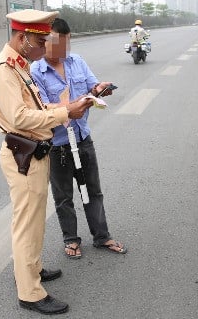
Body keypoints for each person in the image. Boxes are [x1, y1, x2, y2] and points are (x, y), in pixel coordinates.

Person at [0, 9, 93, 315]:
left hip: (35, 152)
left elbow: (34, 105)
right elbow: (19, 116)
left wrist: (65, 107)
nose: (46, 48)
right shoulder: (5, 71)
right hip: (24, 155)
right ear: (22, 38)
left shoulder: (20, 66)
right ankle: (30, 292)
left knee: (33, 222)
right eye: (40, 41)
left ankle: (31, 269)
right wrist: (63, 113)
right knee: (27, 225)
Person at [31, 18, 127, 260]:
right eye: (55, 44)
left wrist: (98, 90)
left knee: (92, 190)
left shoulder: (77, 61)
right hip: (58, 145)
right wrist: (71, 106)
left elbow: (91, 87)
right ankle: (71, 240)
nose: (61, 51)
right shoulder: (36, 71)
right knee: (63, 197)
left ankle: (102, 236)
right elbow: (42, 108)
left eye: (65, 44)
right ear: (44, 42)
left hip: (82, 137)